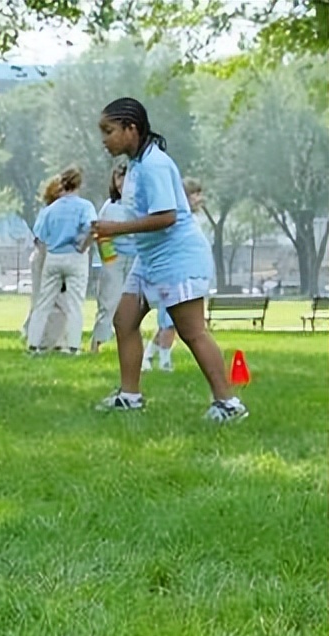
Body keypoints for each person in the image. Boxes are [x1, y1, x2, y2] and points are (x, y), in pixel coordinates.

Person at [93, 97, 246, 421]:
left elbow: (167, 217)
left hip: (177, 259)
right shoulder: (136, 165)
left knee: (192, 332)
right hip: (150, 259)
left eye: (109, 131)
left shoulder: (154, 165)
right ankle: (130, 396)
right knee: (124, 321)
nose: (104, 139)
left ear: (130, 129)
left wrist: (116, 229)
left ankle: (228, 404)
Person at [140, 177, 209, 371]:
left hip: (183, 274)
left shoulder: (192, 219)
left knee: (168, 323)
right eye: (195, 194)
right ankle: (164, 361)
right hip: (175, 276)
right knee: (169, 323)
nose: (199, 198)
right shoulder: (179, 219)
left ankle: (148, 356)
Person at [26, 166, 96, 355]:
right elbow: (92, 227)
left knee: (44, 302)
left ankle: (34, 344)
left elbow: (39, 237)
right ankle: (73, 346)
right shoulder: (85, 206)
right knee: (74, 304)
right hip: (75, 256)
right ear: (79, 184)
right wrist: (84, 245)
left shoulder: (50, 209)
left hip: (54, 256)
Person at [90, 161, 133, 354]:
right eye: (119, 177)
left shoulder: (141, 204)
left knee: (132, 304)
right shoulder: (110, 207)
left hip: (136, 258)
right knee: (109, 301)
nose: (122, 182)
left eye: (126, 176)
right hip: (114, 259)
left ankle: (129, 343)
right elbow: (100, 234)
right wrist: (109, 258)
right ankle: (97, 343)